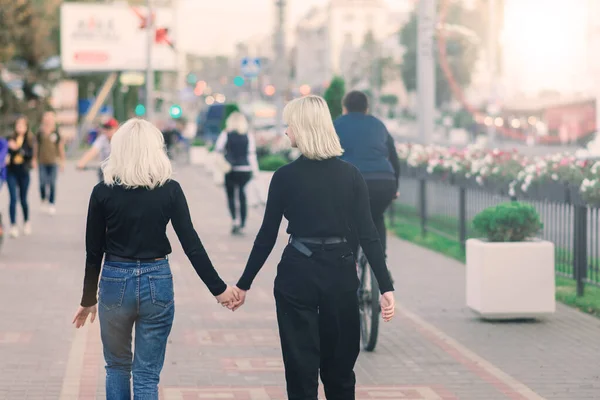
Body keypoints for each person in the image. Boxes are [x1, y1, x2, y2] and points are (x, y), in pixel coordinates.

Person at [230, 96, 395, 400]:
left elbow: (266, 236)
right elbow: (368, 234)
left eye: (289, 124)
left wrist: (243, 285)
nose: (285, 131)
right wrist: (386, 286)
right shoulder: (351, 176)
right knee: (340, 374)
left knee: (300, 375)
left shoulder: (284, 177)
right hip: (341, 272)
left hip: (297, 273)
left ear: (303, 129)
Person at [71, 118, 238, 399]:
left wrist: (88, 299)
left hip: (114, 281)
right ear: (155, 149)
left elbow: (93, 252)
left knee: (116, 367)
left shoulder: (102, 192)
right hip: (156, 280)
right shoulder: (170, 190)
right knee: (147, 375)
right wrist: (219, 289)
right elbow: (191, 245)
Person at [333, 90, 401, 259]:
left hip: (352, 183)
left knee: (351, 221)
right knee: (376, 217)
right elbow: (394, 158)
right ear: (366, 108)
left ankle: (351, 263)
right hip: (384, 182)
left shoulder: (336, 125)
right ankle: (380, 260)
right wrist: (395, 188)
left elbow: (328, 157)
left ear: (345, 108)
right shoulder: (378, 125)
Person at [215, 112, 259, 235]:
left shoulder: (225, 134)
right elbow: (251, 154)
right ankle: (243, 224)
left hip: (230, 169)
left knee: (231, 196)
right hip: (245, 169)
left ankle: (235, 220)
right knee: (242, 196)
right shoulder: (248, 136)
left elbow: (218, 150)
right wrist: (255, 171)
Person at [7, 116, 35, 237]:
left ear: (26, 127)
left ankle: (26, 222)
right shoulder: (10, 139)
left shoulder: (29, 140)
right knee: (13, 199)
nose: (19, 127)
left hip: (23, 172)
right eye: (18, 125)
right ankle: (13, 225)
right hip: (11, 172)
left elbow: (29, 155)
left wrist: (17, 148)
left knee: (23, 199)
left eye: (22, 125)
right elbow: (5, 152)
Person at [36, 111, 65, 215]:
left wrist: (62, 162)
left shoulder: (56, 132)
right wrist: (34, 160)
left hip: (53, 162)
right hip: (42, 162)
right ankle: (43, 198)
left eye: (50, 118)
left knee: (52, 183)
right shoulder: (40, 132)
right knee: (42, 182)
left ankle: (51, 203)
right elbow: (36, 147)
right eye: (46, 118)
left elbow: (60, 148)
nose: (48, 120)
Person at [77, 117, 119, 182]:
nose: (107, 131)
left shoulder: (120, 140)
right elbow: (93, 151)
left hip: (118, 170)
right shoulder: (102, 139)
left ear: (116, 129)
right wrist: (82, 162)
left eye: (110, 128)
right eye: (106, 128)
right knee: (100, 188)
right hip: (104, 169)